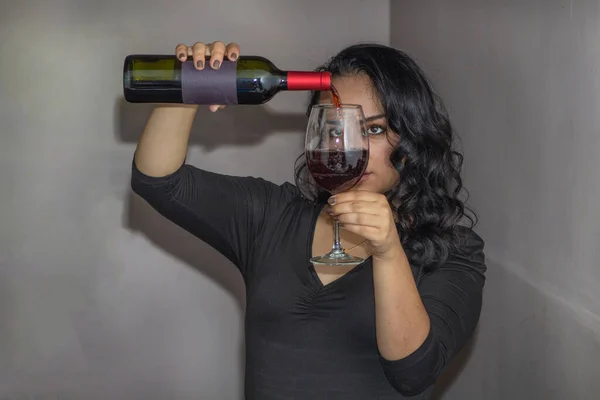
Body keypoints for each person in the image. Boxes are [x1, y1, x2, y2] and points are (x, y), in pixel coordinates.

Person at [130, 40, 487, 399]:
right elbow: (160, 182)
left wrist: (389, 250)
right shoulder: (273, 216)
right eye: (336, 129)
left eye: (374, 129)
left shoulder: (454, 251)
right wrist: (186, 87)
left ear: (412, 139)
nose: (352, 146)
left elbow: (413, 373)